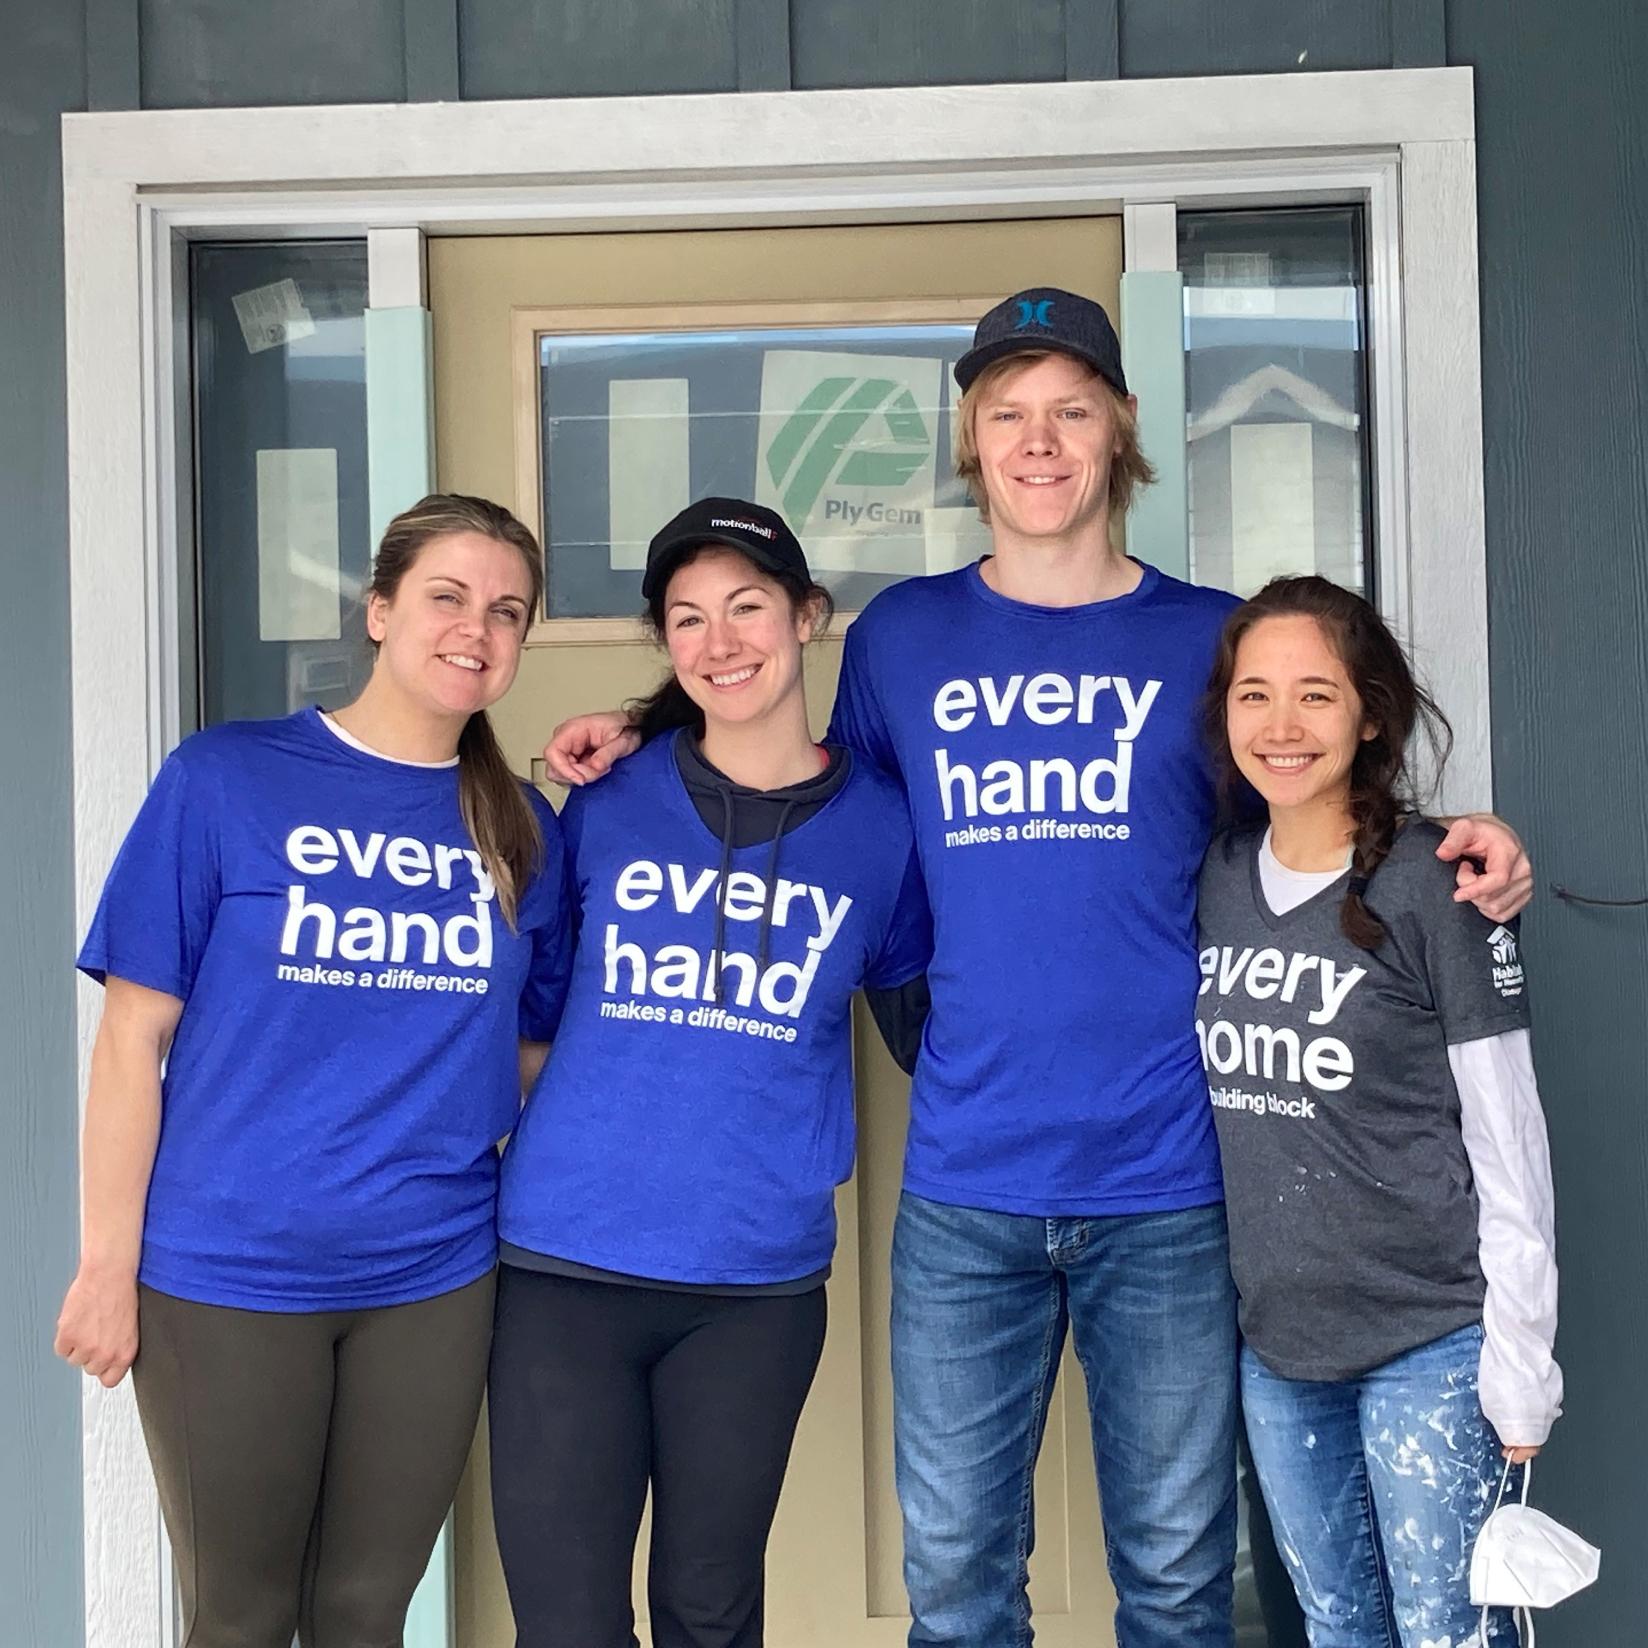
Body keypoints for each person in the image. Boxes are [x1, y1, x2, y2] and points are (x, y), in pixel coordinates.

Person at [542, 291, 1533, 1648]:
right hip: (966, 1188)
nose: (1039, 439)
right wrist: (641, 724)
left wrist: (1453, 843)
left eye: (1071, 407)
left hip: (1172, 1187)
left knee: (1181, 1589)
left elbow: (1308, 804)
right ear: (971, 441)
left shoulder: (1212, 639)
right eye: (1008, 412)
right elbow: (824, 813)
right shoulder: (901, 638)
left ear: (1119, 428)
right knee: (955, 1589)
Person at [54, 495, 572, 1648]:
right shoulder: (227, 780)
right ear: (380, 610)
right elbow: (132, 1038)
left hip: (430, 1276)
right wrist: (105, 1262)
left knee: (364, 1613)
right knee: (240, 1616)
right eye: (446, 597)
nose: (474, 630)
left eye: (506, 612)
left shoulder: (523, 829)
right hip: (228, 1272)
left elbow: (531, 1049)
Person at [488, 498, 931, 1648]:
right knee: (568, 1625)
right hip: (562, 1267)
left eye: (747, 607)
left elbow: (943, 1023)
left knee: (708, 1612)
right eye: (687, 618)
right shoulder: (603, 799)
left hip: (751, 1287)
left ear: (807, 616)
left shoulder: (885, 829)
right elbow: (525, 1016)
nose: (720, 642)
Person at [1197, 575, 1560, 1648]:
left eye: (1315, 693)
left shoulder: (1435, 886)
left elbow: (1509, 1137)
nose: (1281, 724)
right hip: (1280, 1346)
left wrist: (1522, 1363)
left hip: (1431, 1341)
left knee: (1445, 1630)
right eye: (1253, 694)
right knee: (1335, 1626)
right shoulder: (1216, 874)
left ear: (1369, 713)